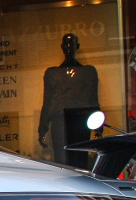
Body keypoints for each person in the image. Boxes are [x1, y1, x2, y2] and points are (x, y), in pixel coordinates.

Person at [37, 33, 99, 168]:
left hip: (81, 119)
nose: (69, 47)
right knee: (62, 161)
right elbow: (47, 101)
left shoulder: (88, 72)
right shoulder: (52, 73)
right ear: (62, 47)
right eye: (66, 44)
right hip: (60, 120)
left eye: (72, 44)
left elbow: (93, 98)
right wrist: (42, 128)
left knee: (80, 160)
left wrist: (98, 126)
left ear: (77, 46)